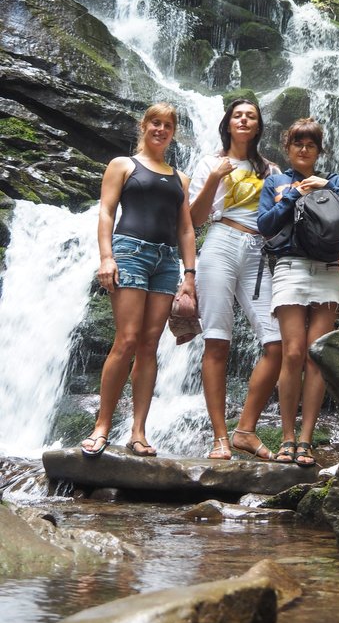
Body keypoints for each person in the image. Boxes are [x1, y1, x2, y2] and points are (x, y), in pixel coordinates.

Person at [80, 102, 197, 457]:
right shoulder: (123, 165)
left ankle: (139, 431)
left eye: (168, 125)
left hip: (166, 260)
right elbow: (106, 211)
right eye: (155, 123)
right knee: (127, 340)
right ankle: (101, 426)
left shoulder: (181, 178)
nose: (161, 130)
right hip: (130, 251)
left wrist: (189, 275)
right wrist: (106, 256)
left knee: (149, 345)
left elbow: (187, 228)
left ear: (173, 132)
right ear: (143, 126)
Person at [189, 98, 282, 460]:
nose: (244, 120)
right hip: (220, 242)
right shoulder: (209, 162)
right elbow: (195, 218)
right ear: (228, 123)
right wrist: (214, 179)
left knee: (275, 343)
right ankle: (220, 438)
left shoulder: (270, 169)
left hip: (259, 251)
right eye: (238, 115)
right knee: (217, 341)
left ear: (258, 127)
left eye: (252, 117)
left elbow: (278, 218)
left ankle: (245, 430)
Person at [258, 118, 339, 467]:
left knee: (316, 356)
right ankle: (286, 438)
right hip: (290, 267)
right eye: (297, 143)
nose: (303, 149)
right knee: (293, 352)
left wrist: (326, 188)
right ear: (287, 148)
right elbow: (264, 226)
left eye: (310, 144)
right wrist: (293, 196)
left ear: (319, 150)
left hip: (329, 271)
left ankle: (307, 441)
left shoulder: (336, 182)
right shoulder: (275, 182)